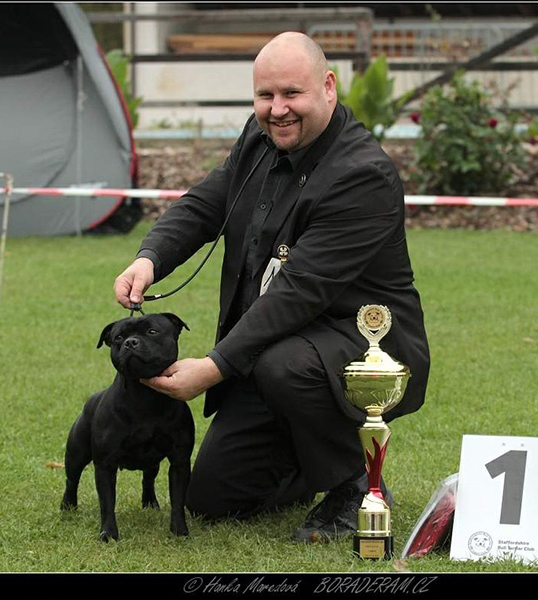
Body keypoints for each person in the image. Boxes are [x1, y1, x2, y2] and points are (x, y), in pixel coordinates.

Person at [113, 32, 429, 543]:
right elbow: (207, 202)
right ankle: (309, 456)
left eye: (291, 94)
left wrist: (213, 368)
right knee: (212, 499)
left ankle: (355, 488)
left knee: (285, 364)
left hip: (357, 345)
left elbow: (298, 292)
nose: (277, 109)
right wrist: (149, 258)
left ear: (328, 86)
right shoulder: (261, 137)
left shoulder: (361, 174)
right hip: (274, 350)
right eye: (265, 96)